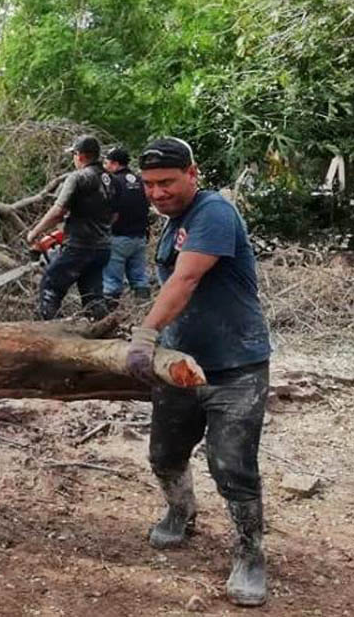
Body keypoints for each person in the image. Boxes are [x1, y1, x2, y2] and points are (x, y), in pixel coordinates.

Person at [124, 137, 273, 607]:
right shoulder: (173, 222)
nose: (157, 193)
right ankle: (180, 512)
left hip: (235, 366)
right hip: (180, 364)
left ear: (193, 172)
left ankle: (251, 555)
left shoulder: (214, 212)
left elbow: (187, 278)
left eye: (166, 182)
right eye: (148, 185)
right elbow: (170, 284)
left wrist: (146, 334)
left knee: (232, 465)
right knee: (165, 454)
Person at [25, 135, 114, 320]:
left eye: (73, 154)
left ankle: (51, 334)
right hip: (103, 248)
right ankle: (104, 332)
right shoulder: (110, 179)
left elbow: (58, 211)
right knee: (93, 298)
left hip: (79, 246)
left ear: (79, 155)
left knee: (50, 286)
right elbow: (116, 215)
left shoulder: (78, 177)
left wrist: (35, 233)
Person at [102, 147, 151, 305]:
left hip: (118, 238)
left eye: (107, 162)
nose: (105, 166)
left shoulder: (112, 182)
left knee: (111, 283)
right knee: (140, 280)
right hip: (140, 238)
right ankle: (142, 316)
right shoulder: (140, 181)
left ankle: (108, 321)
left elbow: (109, 210)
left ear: (115, 164)